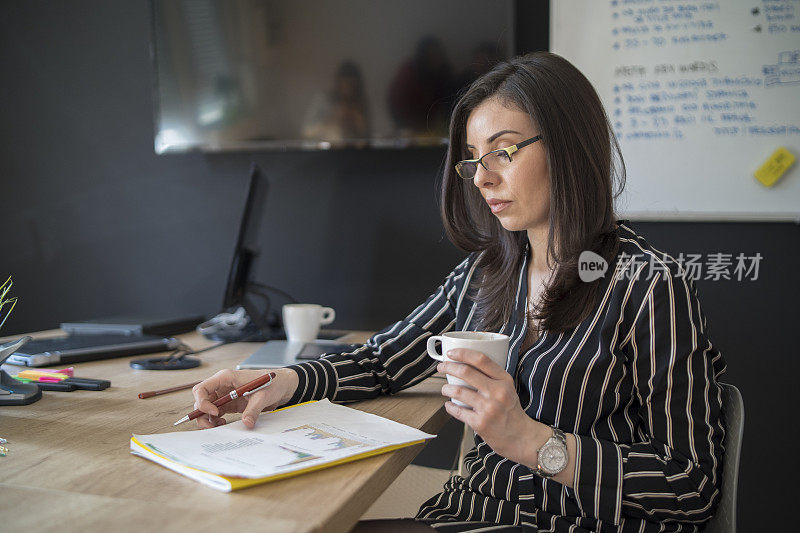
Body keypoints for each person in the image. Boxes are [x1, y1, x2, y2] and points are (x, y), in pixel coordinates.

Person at [192, 52, 726, 532]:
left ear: (568, 144)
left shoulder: (647, 284)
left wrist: (532, 441)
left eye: (504, 152)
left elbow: (690, 487)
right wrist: (278, 379)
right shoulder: (488, 271)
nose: (481, 179)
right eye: (473, 158)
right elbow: (384, 361)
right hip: (468, 513)